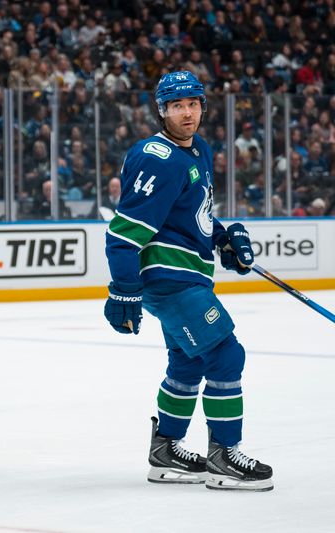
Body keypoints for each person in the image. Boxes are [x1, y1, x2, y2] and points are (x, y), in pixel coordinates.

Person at [104, 71, 273, 492]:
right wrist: (123, 288)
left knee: (189, 362)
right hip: (169, 278)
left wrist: (221, 239)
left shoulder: (197, 151)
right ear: (161, 110)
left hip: (189, 274)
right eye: (177, 106)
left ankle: (166, 450)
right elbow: (124, 232)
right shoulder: (155, 157)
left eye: (193, 103)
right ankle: (224, 456)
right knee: (225, 354)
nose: (187, 112)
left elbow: (188, 216)